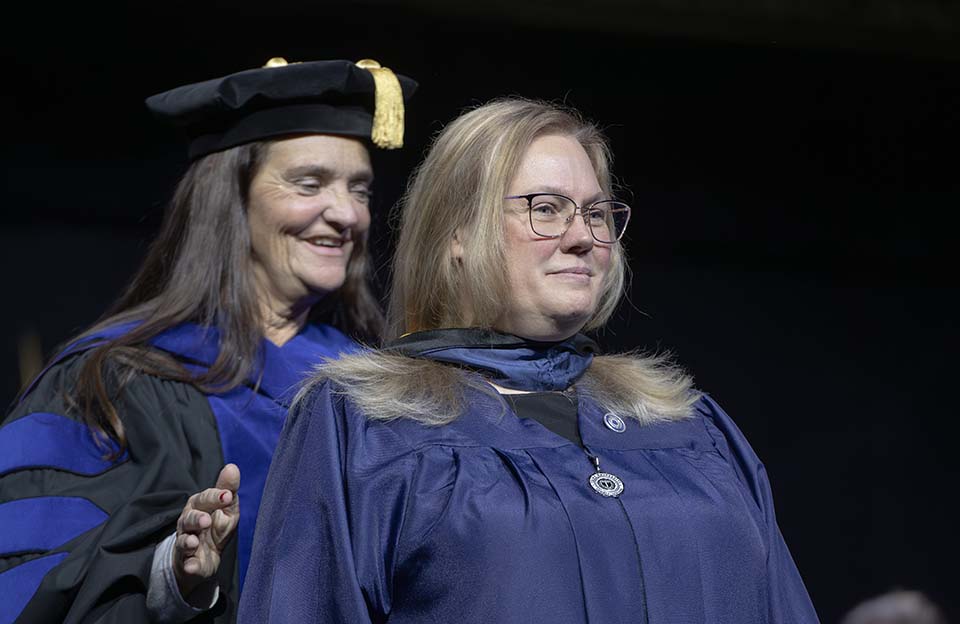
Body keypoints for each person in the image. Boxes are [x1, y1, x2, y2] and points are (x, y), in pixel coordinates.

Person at [239, 98, 821, 623]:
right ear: (456, 232)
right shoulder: (367, 426)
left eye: (596, 213)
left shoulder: (690, 425)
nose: (582, 237)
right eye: (547, 208)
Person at [0, 57, 416, 623]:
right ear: (232, 201)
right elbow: (34, 575)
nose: (347, 214)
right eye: (309, 184)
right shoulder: (116, 380)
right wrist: (171, 577)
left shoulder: (384, 387)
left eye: (360, 190)